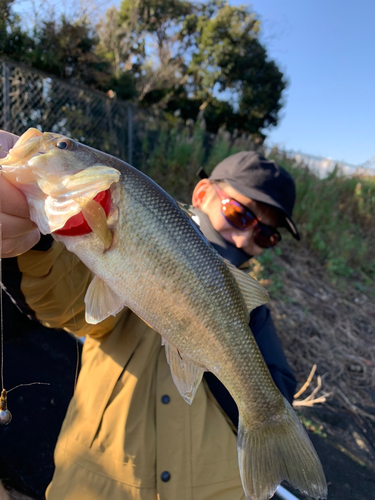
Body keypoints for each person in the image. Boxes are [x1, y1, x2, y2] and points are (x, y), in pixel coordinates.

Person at [0, 131, 298, 500]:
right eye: (239, 214)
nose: (244, 239)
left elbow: (276, 388)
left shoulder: (253, 313)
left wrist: (218, 347)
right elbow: (66, 305)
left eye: (267, 235)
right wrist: (34, 244)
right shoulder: (121, 220)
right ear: (202, 194)